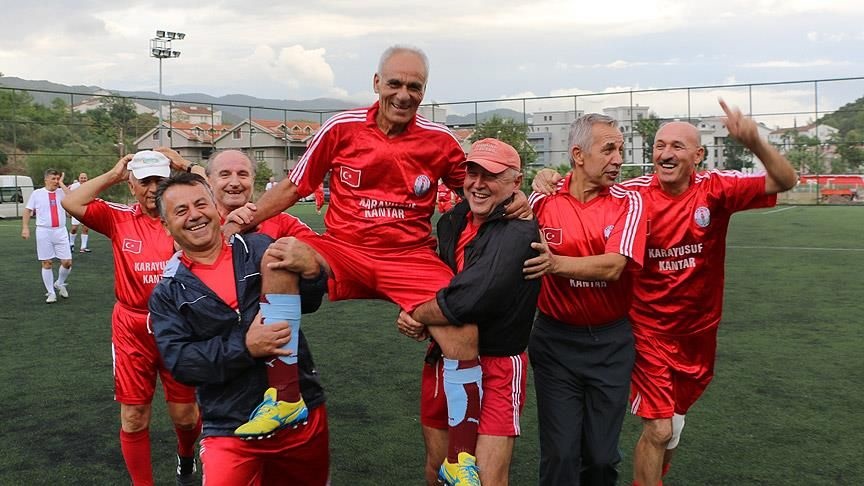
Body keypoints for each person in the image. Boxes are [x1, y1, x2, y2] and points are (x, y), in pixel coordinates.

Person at [222, 45, 529, 483]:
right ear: (376, 83)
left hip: (409, 257)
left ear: (424, 91)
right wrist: (247, 218)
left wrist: (518, 196)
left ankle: (459, 459)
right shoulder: (340, 128)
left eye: (414, 87)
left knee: (463, 331)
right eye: (395, 84)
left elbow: (479, 184)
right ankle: (286, 396)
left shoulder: (440, 141)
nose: (404, 94)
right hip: (344, 250)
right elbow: (295, 185)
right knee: (278, 256)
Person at [533, 100, 798, 485]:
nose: (665, 154)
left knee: (671, 427)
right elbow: (584, 185)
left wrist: (754, 140)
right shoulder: (633, 195)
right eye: (659, 145)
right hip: (645, 330)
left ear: (698, 156)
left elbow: (785, 181)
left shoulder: (717, 189)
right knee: (657, 429)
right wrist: (548, 177)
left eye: (677, 146)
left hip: (698, 332)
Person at [149, 173, 329, 485]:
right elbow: (182, 362)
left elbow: (309, 301)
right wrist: (245, 346)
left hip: (301, 412)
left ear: (215, 208)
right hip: (230, 427)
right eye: (181, 211)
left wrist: (313, 272)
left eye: (200, 204)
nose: (194, 215)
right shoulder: (168, 292)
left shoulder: (259, 249)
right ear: (166, 226)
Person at [396, 139, 541, 485]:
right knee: (438, 468)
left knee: (487, 478)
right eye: (472, 173)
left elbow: (469, 300)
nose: (478, 183)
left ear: (515, 182)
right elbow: (431, 278)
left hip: (497, 364)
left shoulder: (519, 232)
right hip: (445, 358)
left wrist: (418, 314)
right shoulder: (452, 221)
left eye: (490, 175)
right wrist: (414, 311)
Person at [61, 150, 205, 486]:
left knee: (186, 417)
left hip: (179, 326)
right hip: (132, 328)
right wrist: (114, 173)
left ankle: (186, 456)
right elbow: (72, 202)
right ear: (132, 185)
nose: (153, 188)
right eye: (145, 181)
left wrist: (185, 165)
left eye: (159, 179)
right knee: (134, 416)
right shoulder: (118, 218)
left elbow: (211, 193)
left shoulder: (188, 215)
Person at [525, 114, 647, 486]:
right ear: (578, 155)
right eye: (608, 149)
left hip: (610, 345)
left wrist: (555, 264)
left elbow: (614, 266)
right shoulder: (542, 199)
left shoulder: (629, 202)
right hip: (555, 343)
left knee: (600, 459)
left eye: (620, 150)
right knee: (560, 455)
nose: (618, 159)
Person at [200, 147, 330, 453]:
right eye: (225, 174)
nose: (235, 182)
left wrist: (310, 270)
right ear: (209, 180)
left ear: (253, 181)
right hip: (225, 372)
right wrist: (227, 233)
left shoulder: (281, 222)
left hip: (287, 364)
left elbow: (324, 265)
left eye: (243, 174)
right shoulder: (197, 224)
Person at [21, 168, 73, 303]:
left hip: (60, 231)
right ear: (46, 180)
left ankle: (59, 283)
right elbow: (27, 211)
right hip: (44, 232)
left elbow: (73, 197)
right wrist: (25, 227)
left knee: (67, 262)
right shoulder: (37, 194)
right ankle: (51, 293)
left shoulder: (62, 192)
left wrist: (62, 184)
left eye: (58, 179)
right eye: (53, 179)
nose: (56, 181)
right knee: (47, 262)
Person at [68, 172, 92, 253]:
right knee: (74, 228)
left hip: (86, 210)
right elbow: (68, 196)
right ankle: (71, 244)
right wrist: (69, 209)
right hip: (76, 209)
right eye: (82, 178)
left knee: (85, 228)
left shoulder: (90, 186)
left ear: (87, 179)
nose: (83, 179)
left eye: (84, 178)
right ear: (79, 178)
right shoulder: (74, 186)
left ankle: (83, 247)